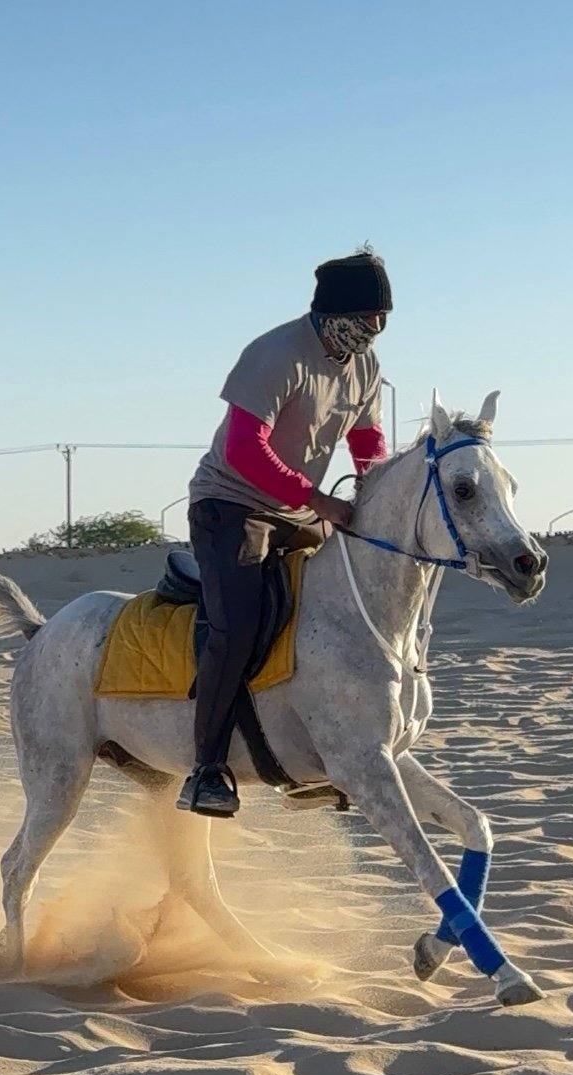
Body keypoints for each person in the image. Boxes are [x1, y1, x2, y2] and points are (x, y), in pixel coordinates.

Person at [177, 249, 392, 817]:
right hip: (233, 506)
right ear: (331, 312)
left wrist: (373, 499)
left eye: (382, 318)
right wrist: (318, 498)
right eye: (367, 317)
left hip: (301, 512)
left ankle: (314, 761)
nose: (375, 329)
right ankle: (206, 769)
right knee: (238, 625)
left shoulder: (366, 367)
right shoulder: (273, 355)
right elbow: (245, 449)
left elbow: (368, 445)